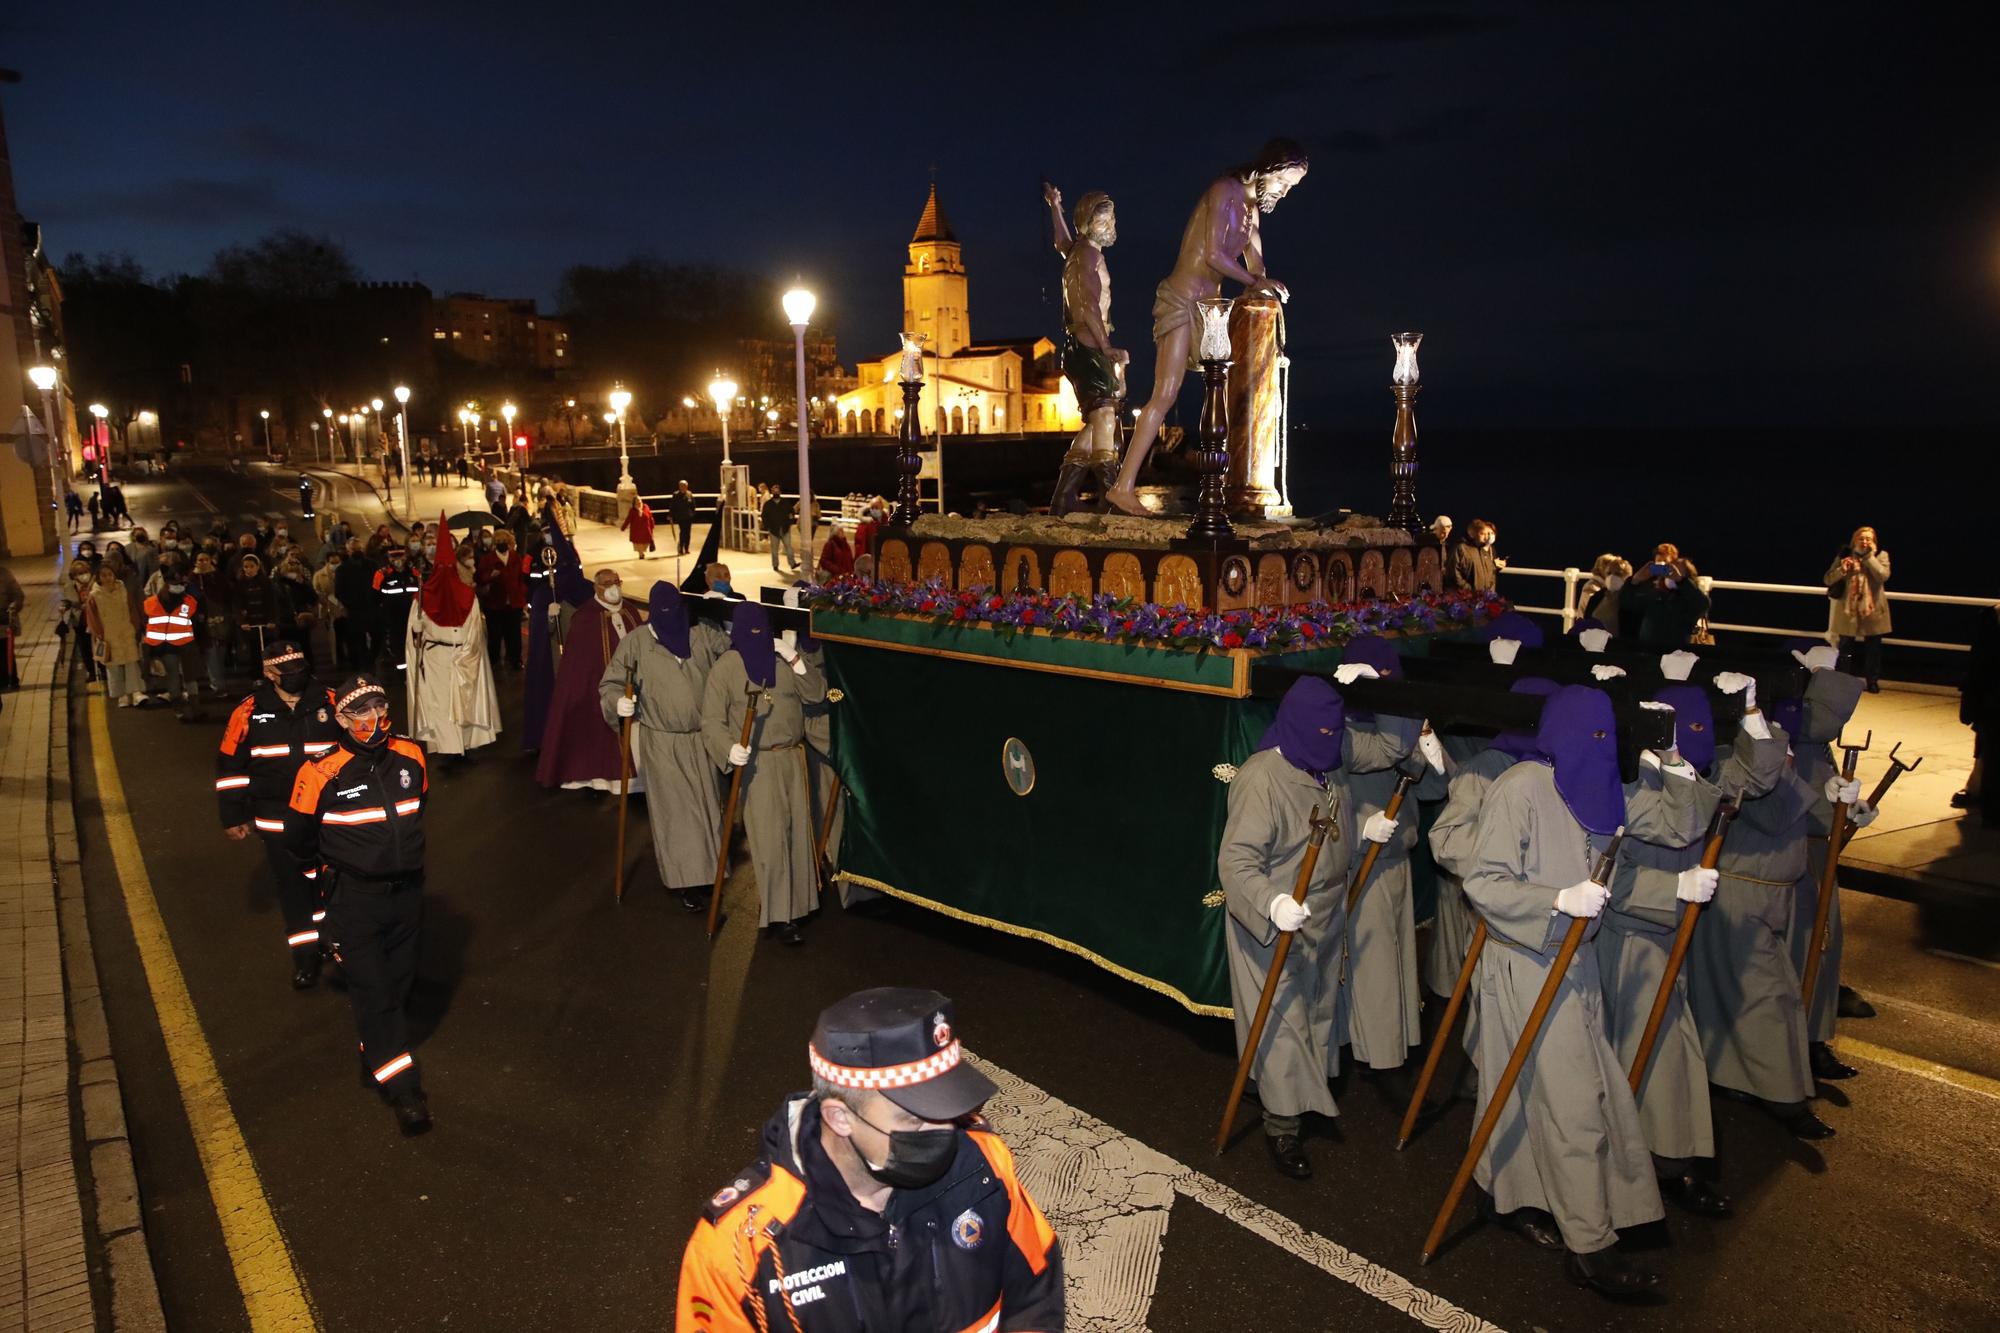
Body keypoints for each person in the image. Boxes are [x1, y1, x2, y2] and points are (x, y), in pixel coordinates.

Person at [1463, 685, 1705, 1300]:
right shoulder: (1520, 788)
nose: (1602, 749)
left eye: (1610, 738)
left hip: (1580, 963)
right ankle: (1591, 1247)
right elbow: (1483, 882)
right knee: (1574, 1104)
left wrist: (1674, 762)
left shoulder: (1602, 787)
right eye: (1591, 736)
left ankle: (1508, 1192)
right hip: (1526, 959)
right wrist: (1554, 901)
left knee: (1530, 1091)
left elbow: (1683, 822)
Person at [677, 987, 1062, 1329]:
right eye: (914, 1120)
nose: (946, 1134)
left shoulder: (983, 1167)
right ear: (840, 1117)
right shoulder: (738, 1246)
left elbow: (1035, 1289)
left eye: (949, 1109)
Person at [1595, 679, 1785, 1220]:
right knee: (1656, 1052)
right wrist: (1668, 890)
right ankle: (1661, 1166)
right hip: (1630, 937)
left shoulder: (1693, 769)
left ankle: (1661, 1162)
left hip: (1674, 937)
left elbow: (1754, 775)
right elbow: (1615, 865)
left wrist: (1751, 712)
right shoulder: (1623, 780)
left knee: (1665, 1052)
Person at [1215, 675, 1401, 1178]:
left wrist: (1359, 833)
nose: (1329, 743)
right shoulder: (1263, 778)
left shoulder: (1324, 760)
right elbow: (1236, 861)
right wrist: (1271, 902)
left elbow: (1325, 828)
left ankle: (1290, 1095)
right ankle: (1282, 1126)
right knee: (1282, 1022)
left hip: (1323, 911)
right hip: (1275, 917)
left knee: (1315, 1010)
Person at [1105, 138, 1308, 515]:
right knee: (1165, 393)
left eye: (1290, 188)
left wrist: (1264, 284)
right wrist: (1254, 282)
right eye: (1284, 182)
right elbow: (1214, 254)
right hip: (1182, 299)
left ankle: (1221, 485)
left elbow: (1256, 266)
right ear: (1268, 168)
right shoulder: (1224, 191)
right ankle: (1123, 486)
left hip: (1211, 309)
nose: (1284, 192)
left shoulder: (1253, 213)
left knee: (1223, 390)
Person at [284, 675, 433, 1137]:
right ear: (343, 720)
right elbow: (299, 841)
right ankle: (404, 1091)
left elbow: (418, 809)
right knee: (376, 994)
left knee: (400, 983)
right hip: (356, 901)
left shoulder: (411, 754)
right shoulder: (319, 772)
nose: (374, 721)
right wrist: (329, 885)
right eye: (362, 713)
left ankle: (375, 1052)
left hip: (406, 894)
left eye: (379, 709)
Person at [1329, 636, 1440, 1075]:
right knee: (1367, 963)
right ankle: (1364, 1049)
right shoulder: (1343, 732)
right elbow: (1322, 803)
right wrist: (1358, 833)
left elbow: (1435, 789)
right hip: (1361, 861)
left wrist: (1428, 744)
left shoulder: (1401, 723)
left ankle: (1389, 1046)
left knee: (1392, 961)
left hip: (1397, 859)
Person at [219, 641, 344, 987]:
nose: (297, 677)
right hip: (276, 819)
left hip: (326, 817)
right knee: (293, 889)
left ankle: (335, 945)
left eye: (300, 669)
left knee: (333, 883)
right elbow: (231, 766)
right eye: (287, 673)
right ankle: (305, 959)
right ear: (268, 673)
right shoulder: (248, 711)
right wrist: (232, 816)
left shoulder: (332, 702)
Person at [601, 582, 727, 908]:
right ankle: (686, 882)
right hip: (663, 743)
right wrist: (618, 702)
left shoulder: (700, 636)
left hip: (703, 740)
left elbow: (733, 653)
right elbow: (611, 682)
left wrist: (727, 611)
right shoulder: (637, 644)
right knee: (677, 813)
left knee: (708, 808)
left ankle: (712, 872)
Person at [702, 604, 822, 945]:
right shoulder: (726, 667)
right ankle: (779, 916)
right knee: (770, 839)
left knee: (798, 833)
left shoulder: (784, 661)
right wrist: (727, 748)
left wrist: (796, 660)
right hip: (758, 763)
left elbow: (816, 694)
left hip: (793, 759)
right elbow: (711, 719)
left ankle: (800, 904)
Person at [1780, 645, 1871, 1079]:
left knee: (1822, 951)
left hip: (1819, 859)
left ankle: (1813, 1041)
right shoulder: (1798, 726)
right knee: (1803, 952)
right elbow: (1801, 801)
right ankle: (1800, 1047)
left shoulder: (1813, 736)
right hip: (1800, 860)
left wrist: (1852, 810)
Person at [538, 569, 646, 790]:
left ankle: (638, 779)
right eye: (607, 583)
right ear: (596, 587)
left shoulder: (631, 612)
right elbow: (577, 664)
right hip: (599, 688)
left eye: (616, 582)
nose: (613, 587)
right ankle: (603, 780)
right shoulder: (585, 617)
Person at [405, 523, 501, 758]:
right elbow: (413, 636)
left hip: (462, 657)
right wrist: (417, 631)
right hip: (436, 657)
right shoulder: (423, 598)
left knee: (463, 705)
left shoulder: (468, 596)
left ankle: (465, 745)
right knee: (441, 705)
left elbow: (475, 630)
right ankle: (447, 748)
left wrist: (466, 654)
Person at [1825, 525, 1890, 692]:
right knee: (1845, 647)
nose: (1865, 541)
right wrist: (1842, 570)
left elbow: (1882, 575)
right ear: (1854, 540)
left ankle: (1872, 682)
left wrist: (1869, 557)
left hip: (1872, 609)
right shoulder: (1845, 555)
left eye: (1868, 538)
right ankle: (1842, 680)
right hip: (1848, 610)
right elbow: (1828, 579)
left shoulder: (1881, 555)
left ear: (1874, 541)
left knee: (1873, 648)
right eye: (1861, 538)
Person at [141, 570, 204, 721]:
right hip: (167, 647)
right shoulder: (151, 603)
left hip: (184, 645)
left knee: (189, 677)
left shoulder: (190, 601)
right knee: (175, 677)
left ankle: (194, 708)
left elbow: (197, 621)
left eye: (182, 584)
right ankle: (179, 708)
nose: (179, 587)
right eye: (175, 584)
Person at [1957, 603, 2000, 826]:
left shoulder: (1993, 616)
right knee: (1988, 747)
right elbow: (1981, 663)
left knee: (1989, 748)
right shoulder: (1992, 616)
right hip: (1993, 699)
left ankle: (1982, 794)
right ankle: (1981, 792)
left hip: (1991, 699)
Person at [1620, 543, 1709, 648]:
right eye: (1670, 570)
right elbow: (1626, 603)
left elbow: (1703, 604)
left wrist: (1682, 582)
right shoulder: (1655, 594)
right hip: (1648, 652)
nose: (1672, 575)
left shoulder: (1689, 600)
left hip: (1675, 654)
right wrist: (1634, 581)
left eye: (1678, 572)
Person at [86, 562, 146, 706]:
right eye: (104, 575)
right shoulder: (94, 595)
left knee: (131, 661)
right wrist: (98, 634)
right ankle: (121, 694)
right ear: (98, 577)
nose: (107, 578)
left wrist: (135, 626)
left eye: (110, 574)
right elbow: (92, 617)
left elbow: (132, 608)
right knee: (113, 665)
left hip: (126, 630)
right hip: (108, 633)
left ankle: (136, 691)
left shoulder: (123, 590)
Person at [476, 529, 528, 672]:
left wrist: (521, 595)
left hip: (513, 603)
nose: (502, 545)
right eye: (498, 542)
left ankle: (515, 659)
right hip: (494, 604)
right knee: (495, 635)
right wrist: (490, 576)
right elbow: (479, 578)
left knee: (514, 634)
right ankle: (494, 660)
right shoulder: (487, 559)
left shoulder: (515, 557)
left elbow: (521, 578)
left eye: (504, 542)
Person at [371, 545, 421, 676]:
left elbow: (422, 592)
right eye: (394, 556)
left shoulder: (414, 573)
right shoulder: (381, 575)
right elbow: (375, 597)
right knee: (397, 646)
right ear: (389, 558)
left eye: (401, 556)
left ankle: (415, 669)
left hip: (412, 617)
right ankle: (402, 674)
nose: (398, 559)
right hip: (392, 619)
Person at [1576, 554, 1632, 630]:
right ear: (1603, 568)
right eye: (1609, 572)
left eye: (1617, 573)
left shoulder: (1627, 595)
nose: (1612, 576)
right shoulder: (1594, 590)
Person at [1446, 518, 1501, 594]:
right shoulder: (1461, 548)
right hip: (1465, 598)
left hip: (1482, 597)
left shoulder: (1483, 550)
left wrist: (1488, 590)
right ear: (1472, 534)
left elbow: (1490, 573)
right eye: (1482, 533)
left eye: (1486, 533)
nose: (1486, 537)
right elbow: (1454, 574)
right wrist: (1469, 589)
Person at [762, 486, 799, 574]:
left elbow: (792, 512)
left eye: (777, 491)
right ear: (772, 492)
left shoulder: (785, 502)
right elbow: (764, 516)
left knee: (789, 547)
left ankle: (792, 563)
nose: (776, 493)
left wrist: (790, 522)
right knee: (774, 549)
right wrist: (768, 527)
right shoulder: (768, 504)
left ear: (780, 492)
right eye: (774, 491)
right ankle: (775, 565)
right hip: (774, 530)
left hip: (785, 528)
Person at [621, 496, 657, 560]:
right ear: (634, 502)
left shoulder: (646, 507)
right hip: (636, 531)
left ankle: (642, 553)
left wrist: (652, 525)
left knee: (645, 543)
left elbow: (650, 517)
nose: (639, 502)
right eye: (637, 501)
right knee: (638, 544)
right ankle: (641, 554)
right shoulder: (632, 510)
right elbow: (628, 519)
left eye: (640, 500)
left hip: (646, 530)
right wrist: (623, 527)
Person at [667, 480, 695, 556]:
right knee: (683, 532)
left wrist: (692, 514)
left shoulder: (689, 494)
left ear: (687, 486)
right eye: (681, 486)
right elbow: (672, 506)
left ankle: (687, 548)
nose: (683, 487)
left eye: (685, 486)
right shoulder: (675, 495)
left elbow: (693, 505)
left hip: (688, 517)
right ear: (679, 486)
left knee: (688, 533)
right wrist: (670, 515)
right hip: (680, 517)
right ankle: (680, 548)